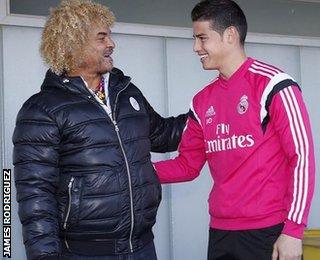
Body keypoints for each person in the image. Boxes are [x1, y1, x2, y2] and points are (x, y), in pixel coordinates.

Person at [12, 0, 187, 259]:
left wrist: (212, 112)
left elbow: (162, 134)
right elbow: (35, 196)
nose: (111, 44)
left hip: (142, 247)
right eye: (102, 37)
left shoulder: (126, 92)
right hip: (85, 253)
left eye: (110, 36)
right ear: (72, 44)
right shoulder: (42, 110)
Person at [154, 0, 315, 259]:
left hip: (269, 231)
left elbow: (302, 159)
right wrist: (134, 171)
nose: (196, 47)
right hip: (221, 231)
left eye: (202, 38)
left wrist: (293, 232)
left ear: (230, 35)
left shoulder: (274, 85)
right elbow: (187, 165)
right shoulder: (202, 101)